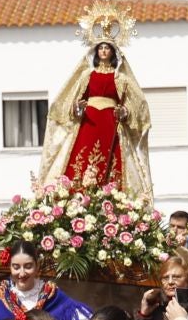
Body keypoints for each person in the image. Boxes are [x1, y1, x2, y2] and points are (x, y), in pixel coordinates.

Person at [38, 31, 154, 202]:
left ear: (113, 52)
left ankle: (113, 198)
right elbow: (73, 101)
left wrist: (124, 112)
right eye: (101, 48)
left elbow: (136, 105)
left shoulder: (121, 78)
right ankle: (76, 197)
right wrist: (77, 107)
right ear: (96, 51)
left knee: (112, 159)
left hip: (111, 123)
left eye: (107, 48)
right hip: (89, 122)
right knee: (82, 157)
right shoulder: (87, 75)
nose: (104, 51)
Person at [0, 238, 95, 320]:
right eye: (16, 267)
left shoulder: (52, 295)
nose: (22, 273)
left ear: (37, 266)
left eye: (28, 266)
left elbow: (82, 318)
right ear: (9, 267)